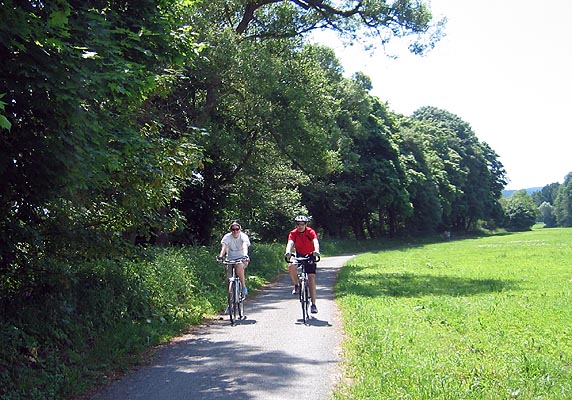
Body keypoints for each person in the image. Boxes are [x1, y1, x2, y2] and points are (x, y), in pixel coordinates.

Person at [284, 215, 320, 313]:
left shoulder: (310, 232)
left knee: (311, 278)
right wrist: (288, 251)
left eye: (302, 224)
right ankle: (297, 285)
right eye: (298, 224)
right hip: (298, 254)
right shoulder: (293, 233)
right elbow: (290, 243)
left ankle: (313, 304)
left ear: (305, 224)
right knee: (291, 266)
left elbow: (315, 241)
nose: (300, 226)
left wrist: (316, 250)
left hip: (310, 255)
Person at [217, 222, 250, 296]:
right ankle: (230, 302)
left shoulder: (243, 236)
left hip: (242, 259)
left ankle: (243, 286)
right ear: (230, 230)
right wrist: (220, 256)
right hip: (230, 260)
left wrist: (245, 255)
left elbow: (245, 246)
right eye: (233, 229)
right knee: (228, 280)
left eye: (237, 229)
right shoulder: (227, 237)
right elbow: (224, 247)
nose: (235, 231)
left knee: (239, 266)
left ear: (240, 230)